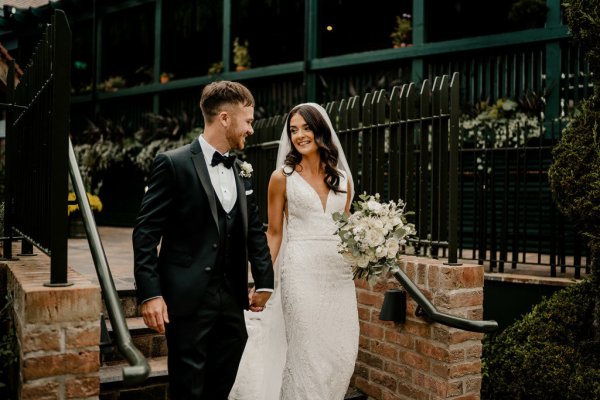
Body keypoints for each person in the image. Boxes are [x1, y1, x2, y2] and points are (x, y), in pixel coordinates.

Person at [133, 80, 274, 400]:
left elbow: (253, 228)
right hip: (187, 298)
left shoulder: (242, 170)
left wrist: (265, 281)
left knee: (222, 382)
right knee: (187, 387)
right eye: (248, 121)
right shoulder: (173, 163)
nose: (251, 130)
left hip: (232, 300)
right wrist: (150, 293)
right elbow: (145, 233)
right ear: (225, 118)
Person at [230, 103, 359, 399]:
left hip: (339, 277)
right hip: (301, 274)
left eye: (306, 127)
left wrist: (369, 247)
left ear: (320, 130)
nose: (299, 135)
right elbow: (274, 234)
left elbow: (347, 227)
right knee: (308, 354)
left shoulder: (343, 179)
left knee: (342, 353)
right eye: (293, 130)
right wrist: (262, 280)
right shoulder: (281, 178)